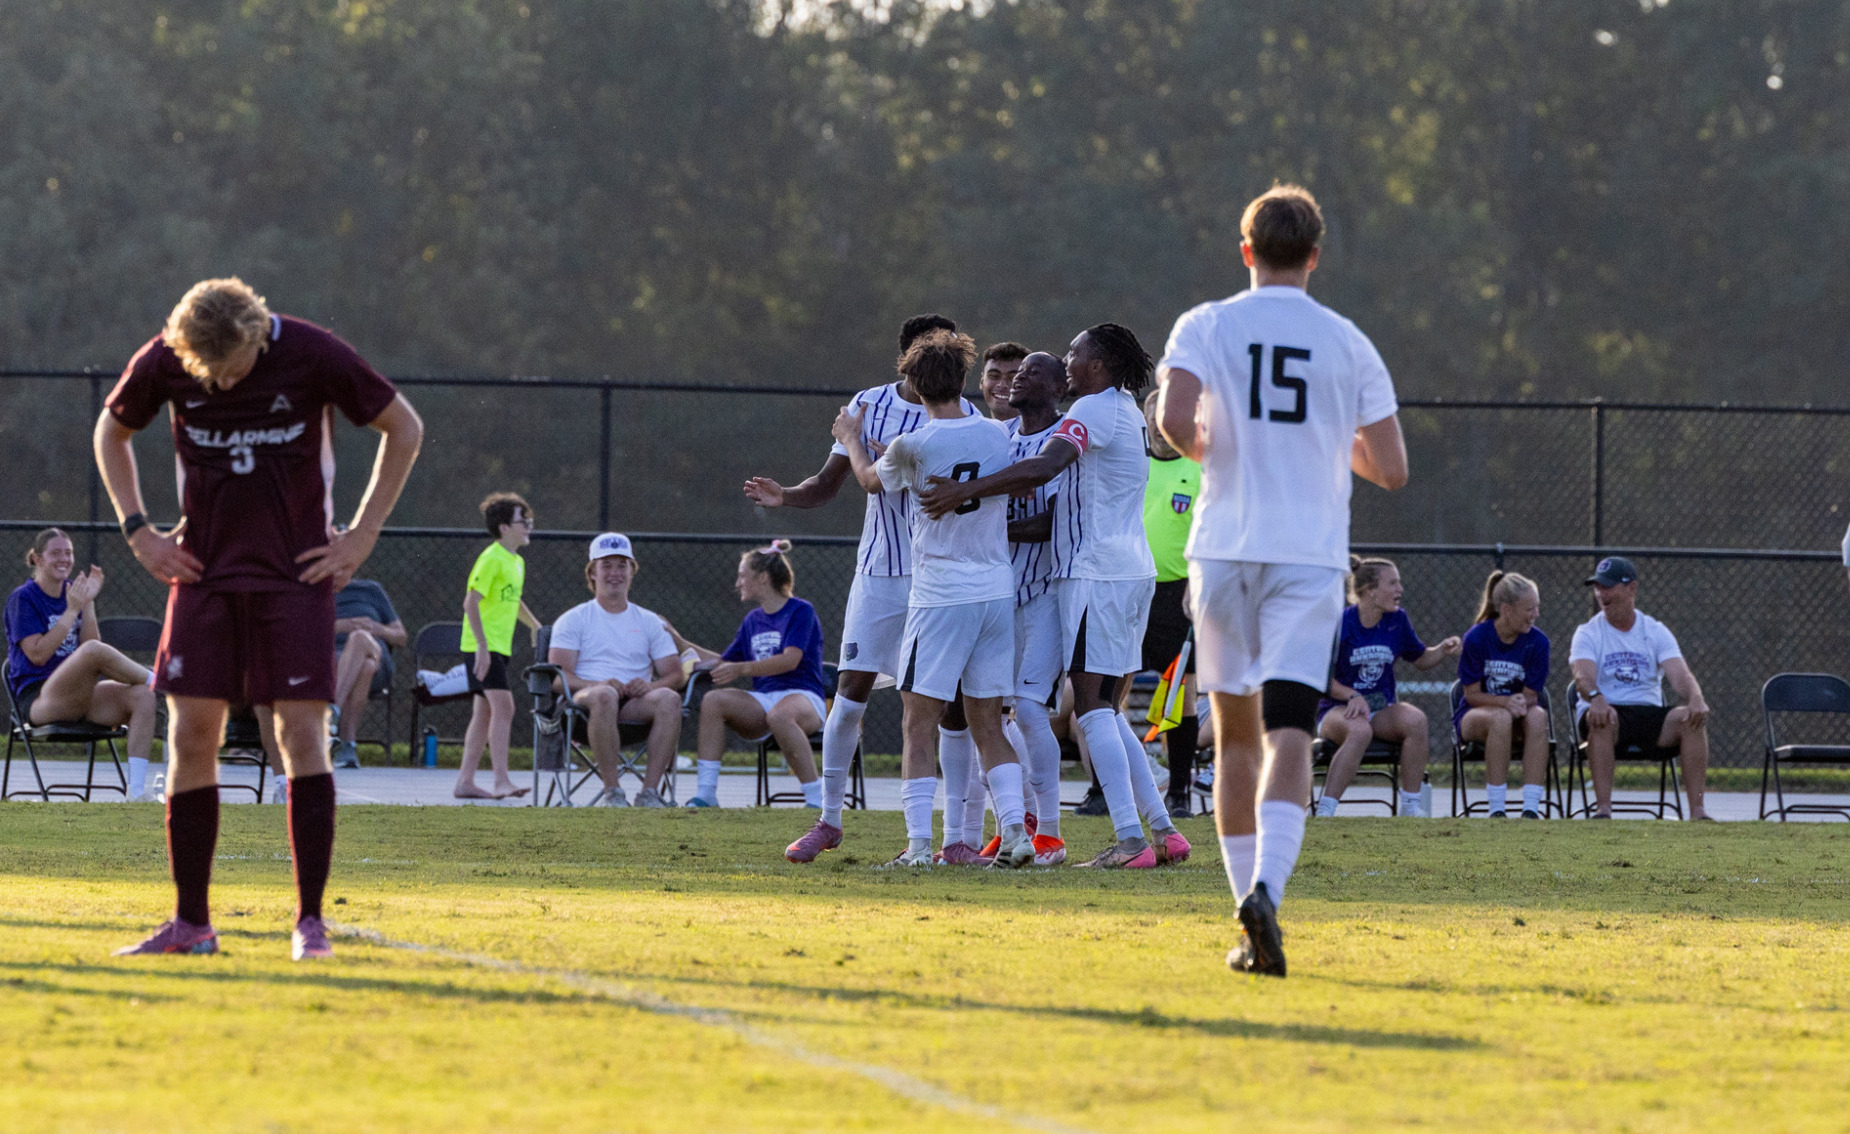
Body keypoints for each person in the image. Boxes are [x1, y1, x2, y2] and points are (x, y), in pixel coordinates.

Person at [96, 276, 423, 960]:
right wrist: (139, 531)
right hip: (204, 578)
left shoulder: (312, 352)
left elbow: (404, 428)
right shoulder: (171, 354)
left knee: (302, 735)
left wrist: (361, 535)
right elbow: (113, 430)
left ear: (256, 336)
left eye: (231, 370)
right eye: (202, 373)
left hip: (294, 577)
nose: (216, 381)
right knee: (190, 738)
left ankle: (310, 923)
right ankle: (191, 924)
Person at [1152, 184, 1408, 977]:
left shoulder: (1207, 322)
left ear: (1246, 250)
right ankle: (1268, 888)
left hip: (1225, 547)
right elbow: (1392, 469)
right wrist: (1331, 450)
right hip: (1307, 556)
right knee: (1290, 729)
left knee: (1232, 736)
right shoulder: (1348, 342)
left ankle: (1243, 914)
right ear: (1316, 257)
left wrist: (1215, 452)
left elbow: (1172, 419)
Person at [920, 324, 1189, 871]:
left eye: (1074, 351)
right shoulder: (1122, 408)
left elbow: (1045, 466)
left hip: (1095, 575)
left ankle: (1130, 842)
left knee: (1088, 708)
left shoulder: (1093, 409)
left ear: (1100, 362)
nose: (1068, 359)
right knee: (1106, 713)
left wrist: (964, 492)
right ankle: (1161, 832)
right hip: (1121, 573)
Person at [747, 314, 977, 864]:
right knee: (849, 693)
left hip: (938, 578)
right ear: (907, 359)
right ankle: (828, 820)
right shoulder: (868, 404)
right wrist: (787, 497)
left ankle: (956, 838)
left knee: (947, 708)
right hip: (879, 573)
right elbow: (828, 485)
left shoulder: (968, 414)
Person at [834, 329, 1033, 869]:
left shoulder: (913, 445)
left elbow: (874, 483)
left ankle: (920, 847)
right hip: (995, 591)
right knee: (988, 722)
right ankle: (1015, 834)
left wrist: (852, 439)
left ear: (914, 387)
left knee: (917, 722)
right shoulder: (997, 435)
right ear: (965, 379)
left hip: (941, 596)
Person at [4, 528, 160, 800]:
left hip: (80, 695)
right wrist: (72, 610)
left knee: (143, 698)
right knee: (93, 651)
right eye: (55, 553)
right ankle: (161, 680)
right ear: (38, 559)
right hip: (41, 699)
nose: (63, 558)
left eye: (68, 553)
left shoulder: (73, 594)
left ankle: (135, 793)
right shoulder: (23, 599)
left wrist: (87, 604)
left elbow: (91, 648)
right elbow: (38, 655)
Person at [686, 541, 828, 809]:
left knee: (780, 715)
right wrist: (675, 639)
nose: (738, 582)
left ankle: (817, 801)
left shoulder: (801, 611)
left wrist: (742, 669)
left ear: (762, 578)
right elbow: (721, 661)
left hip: (804, 698)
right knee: (713, 702)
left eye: (743, 575)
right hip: (765, 700)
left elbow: (790, 660)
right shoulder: (752, 620)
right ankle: (705, 795)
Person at [1314, 556, 1460, 818]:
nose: (1399, 590)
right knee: (1359, 731)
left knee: (1416, 720)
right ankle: (1326, 810)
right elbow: (1321, 678)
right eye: (1392, 583)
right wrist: (1353, 695)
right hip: (1336, 709)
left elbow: (1420, 659)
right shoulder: (1341, 623)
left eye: (1399, 583)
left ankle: (1411, 806)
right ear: (1370, 590)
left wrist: (1442, 650)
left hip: (1379, 706)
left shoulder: (1397, 620)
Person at [1569, 556, 1713, 820]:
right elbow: (1582, 676)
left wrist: (1696, 698)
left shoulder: (1655, 631)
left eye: (1608, 586)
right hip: (1607, 711)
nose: (1601, 593)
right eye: (1598, 587)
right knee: (1600, 718)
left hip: (1648, 714)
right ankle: (1603, 811)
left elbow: (1680, 676)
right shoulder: (1588, 633)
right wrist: (1595, 698)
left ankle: (1698, 812)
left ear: (1631, 588)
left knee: (1691, 720)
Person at [548, 533, 686, 807]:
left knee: (670, 699)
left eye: (622, 565)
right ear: (593, 573)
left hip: (636, 707)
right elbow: (557, 678)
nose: (615, 573)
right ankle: (613, 793)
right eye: (606, 565)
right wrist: (600, 683)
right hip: (584, 709)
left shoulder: (649, 621)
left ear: (632, 572)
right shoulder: (573, 619)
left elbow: (676, 675)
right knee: (604, 696)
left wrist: (650, 687)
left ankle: (649, 794)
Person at [1138, 389, 1203, 818]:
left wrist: (1196, 583)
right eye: (1153, 414)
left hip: (1177, 598)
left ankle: (1179, 790)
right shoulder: (1130, 465)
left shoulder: (1198, 470)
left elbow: (1212, 531)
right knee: (1105, 692)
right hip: (1127, 590)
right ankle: (1104, 789)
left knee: (1181, 696)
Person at [454, 493, 540, 800]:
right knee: (505, 707)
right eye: (522, 521)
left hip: (498, 648)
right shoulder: (491, 559)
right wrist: (481, 646)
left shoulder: (515, 562)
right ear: (504, 527)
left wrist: (535, 627)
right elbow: (470, 602)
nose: (529, 526)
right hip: (483, 648)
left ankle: (465, 782)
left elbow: (513, 601)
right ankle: (501, 780)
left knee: (485, 713)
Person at [1455, 571, 1552, 819]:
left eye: (1537, 607)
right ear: (1507, 610)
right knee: (1500, 718)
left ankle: (1530, 809)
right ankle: (1497, 810)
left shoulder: (1538, 643)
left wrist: (1521, 702)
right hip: (1475, 716)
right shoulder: (1477, 638)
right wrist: (1505, 703)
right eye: (1529, 609)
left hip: (1517, 714)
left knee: (1539, 717)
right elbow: (1472, 694)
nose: (1536, 615)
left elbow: (1532, 695)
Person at [329, 576, 406, 768]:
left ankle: (331, 710)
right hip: (332, 661)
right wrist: (341, 626)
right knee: (365, 667)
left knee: (360, 638)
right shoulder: (316, 590)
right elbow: (305, 628)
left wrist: (375, 628)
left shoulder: (371, 590)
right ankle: (347, 746)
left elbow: (401, 636)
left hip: (377, 657)